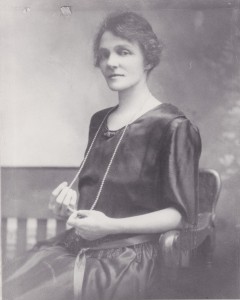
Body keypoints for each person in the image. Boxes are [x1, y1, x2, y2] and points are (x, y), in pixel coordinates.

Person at [3, 11, 201, 300]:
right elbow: (97, 196)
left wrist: (110, 226)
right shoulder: (99, 121)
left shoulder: (173, 126)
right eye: (104, 54)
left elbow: (179, 216)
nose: (111, 63)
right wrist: (67, 205)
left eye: (123, 52)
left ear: (147, 59)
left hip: (128, 259)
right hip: (79, 248)